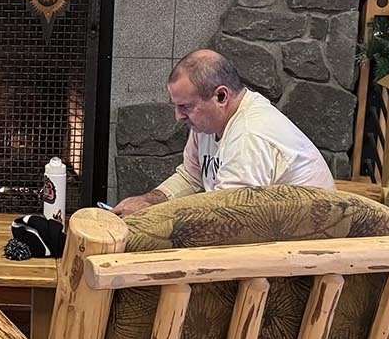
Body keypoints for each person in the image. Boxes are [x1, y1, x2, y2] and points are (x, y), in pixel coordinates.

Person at [113, 49, 335, 216]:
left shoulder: (249, 135)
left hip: (301, 251)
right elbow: (191, 177)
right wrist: (148, 201)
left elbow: (225, 215)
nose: (178, 116)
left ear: (221, 96)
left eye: (186, 107)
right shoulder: (207, 124)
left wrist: (149, 219)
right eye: (176, 105)